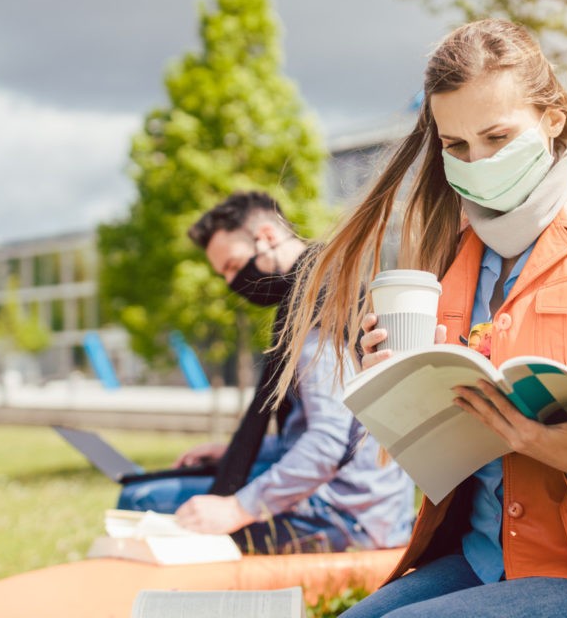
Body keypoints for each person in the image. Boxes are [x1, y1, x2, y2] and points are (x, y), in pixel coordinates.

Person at [275, 20, 567, 617]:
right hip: (482, 557)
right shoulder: (450, 258)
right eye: (456, 146)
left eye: (497, 137)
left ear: (551, 119)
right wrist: (396, 388)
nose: (477, 161)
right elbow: (447, 439)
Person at [117, 191, 415, 555]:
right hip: (371, 504)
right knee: (187, 481)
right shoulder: (329, 286)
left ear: (267, 236)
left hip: (347, 518)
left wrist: (237, 508)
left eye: (231, 266)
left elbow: (328, 444)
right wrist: (233, 451)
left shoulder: (315, 315)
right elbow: (332, 429)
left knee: (138, 499)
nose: (231, 282)